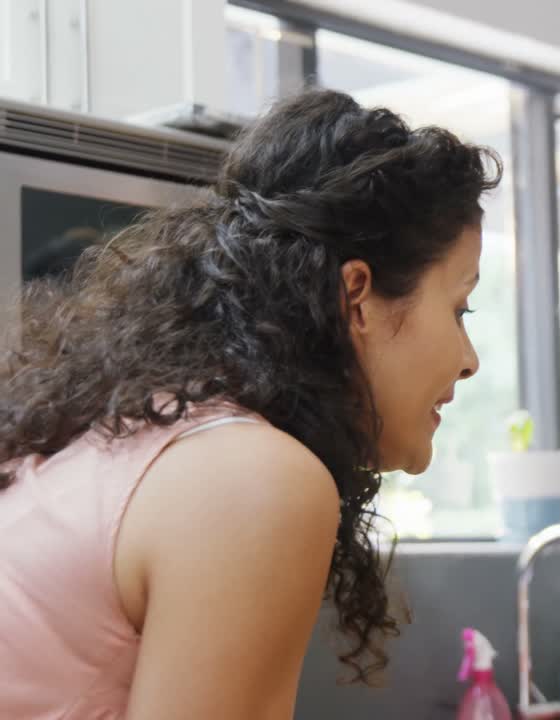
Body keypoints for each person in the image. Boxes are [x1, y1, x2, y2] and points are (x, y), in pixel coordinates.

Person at [0, 89, 500, 719]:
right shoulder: (253, 480)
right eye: (459, 308)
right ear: (357, 296)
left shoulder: (164, 435)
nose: (469, 358)